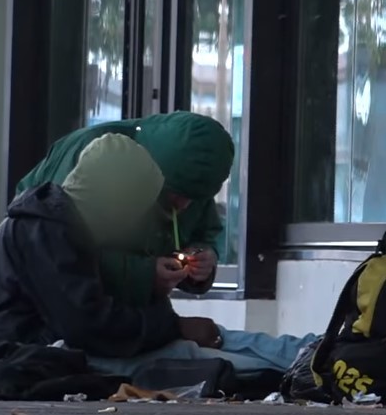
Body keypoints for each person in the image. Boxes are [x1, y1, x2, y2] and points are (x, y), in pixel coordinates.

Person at [0, 133, 223, 364]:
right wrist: (175, 327)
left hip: (11, 351)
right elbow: (88, 324)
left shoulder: (56, 223)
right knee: (200, 362)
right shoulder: (47, 231)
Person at [16, 111, 234, 306]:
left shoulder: (195, 176)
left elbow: (203, 233)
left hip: (121, 317)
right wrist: (142, 275)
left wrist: (203, 261)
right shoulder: (97, 156)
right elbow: (56, 255)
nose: (183, 206)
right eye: (174, 195)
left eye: (194, 199)